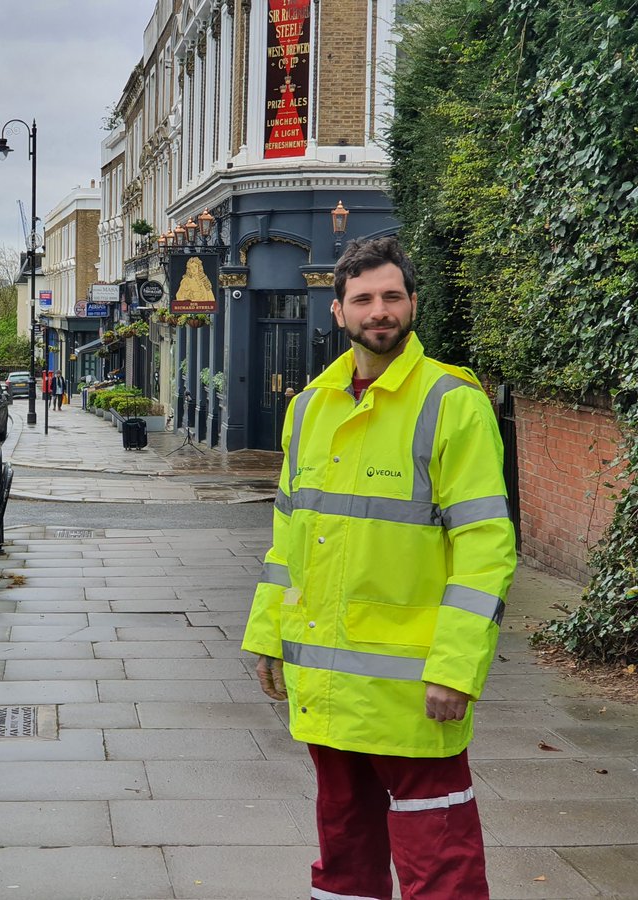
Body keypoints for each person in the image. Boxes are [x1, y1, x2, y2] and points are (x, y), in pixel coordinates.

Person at [241, 236, 516, 900]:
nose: (379, 311)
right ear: (337, 311)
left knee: (440, 868)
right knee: (344, 859)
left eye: (392, 296)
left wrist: (456, 668)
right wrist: (267, 637)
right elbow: (288, 537)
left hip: (414, 695)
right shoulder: (309, 406)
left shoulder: (453, 402)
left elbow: (485, 547)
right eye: (363, 299)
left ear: (413, 304)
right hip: (329, 688)